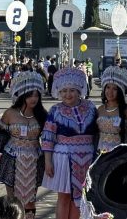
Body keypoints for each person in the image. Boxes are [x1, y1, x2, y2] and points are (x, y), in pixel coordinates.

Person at [41, 67, 98, 219]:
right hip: (63, 157)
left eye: (71, 90)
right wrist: (48, 161)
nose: (68, 94)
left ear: (79, 90)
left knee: (81, 198)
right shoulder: (55, 110)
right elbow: (48, 137)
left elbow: (98, 132)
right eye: (64, 91)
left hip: (87, 158)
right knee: (64, 196)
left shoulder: (91, 107)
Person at [0, 71, 48, 219]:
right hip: (11, 158)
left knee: (31, 202)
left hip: (34, 160)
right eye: (30, 95)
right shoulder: (10, 113)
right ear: (22, 95)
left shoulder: (43, 115)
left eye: (37, 95)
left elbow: (50, 140)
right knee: (13, 201)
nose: (34, 98)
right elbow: (0, 135)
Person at [96, 65, 127, 152]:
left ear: (121, 91)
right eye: (108, 87)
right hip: (101, 155)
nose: (110, 92)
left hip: (120, 155)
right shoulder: (100, 109)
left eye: (114, 89)